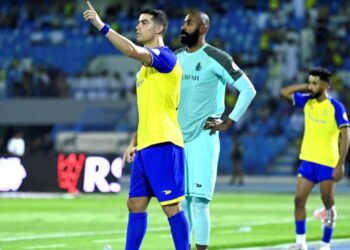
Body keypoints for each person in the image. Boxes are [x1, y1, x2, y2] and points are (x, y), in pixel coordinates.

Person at [83, 2, 189, 250]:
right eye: (138, 22)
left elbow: (132, 50)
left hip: (165, 144)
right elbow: (147, 113)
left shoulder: (166, 58)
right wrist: (134, 142)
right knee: (135, 204)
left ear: (159, 28)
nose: (137, 26)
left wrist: (100, 25)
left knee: (171, 207)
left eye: (144, 22)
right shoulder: (143, 73)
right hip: (146, 146)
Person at [176, 10, 256, 250]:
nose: (183, 26)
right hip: (178, 139)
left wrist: (228, 121)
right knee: (184, 202)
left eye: (189, 23)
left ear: (203, 28)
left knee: (199, 202)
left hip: (203, 137)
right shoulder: (176, 58)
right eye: (183, 22)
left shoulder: (216, 57)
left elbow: (248, 90)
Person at [280, 67, 350, 250]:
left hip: (328, 163)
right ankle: (300, 243)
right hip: (308, 161)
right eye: (309, 82)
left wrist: (340, 164)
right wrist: (306, 86)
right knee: (298, 201)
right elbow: (284, 92)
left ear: (326, 85)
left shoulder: (336, 107)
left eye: (315, 83)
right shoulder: (306, 102)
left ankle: (325, 244)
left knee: (328, 203)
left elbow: (346, 136)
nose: (311, 86)